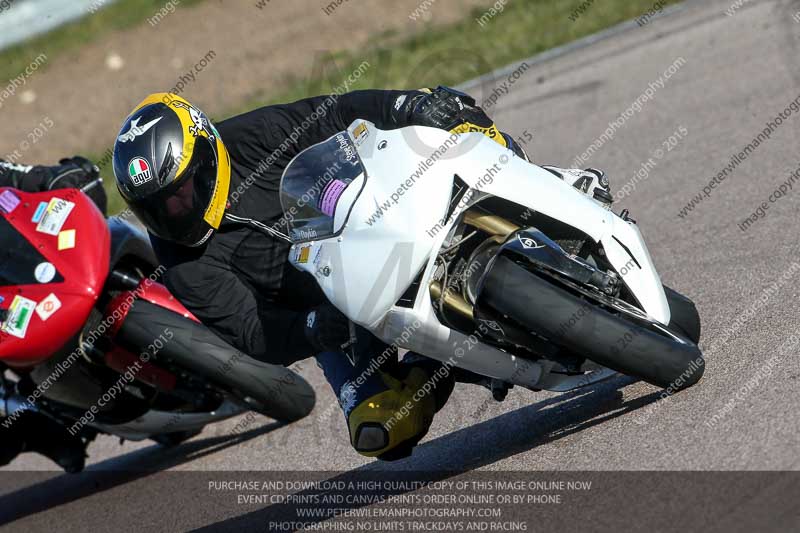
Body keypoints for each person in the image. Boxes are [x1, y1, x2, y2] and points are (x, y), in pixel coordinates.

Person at [111, 87, 610, 459]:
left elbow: (338, 113)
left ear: (204, 154)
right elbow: (250, 332)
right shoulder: (180, 260)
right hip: (331, 306)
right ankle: (433, 362)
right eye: (157, 206)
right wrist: (313, 329)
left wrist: (408, 107)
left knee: (455, 125)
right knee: (382, 432)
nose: (174, 210)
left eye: (179, 190)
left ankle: (550, 187)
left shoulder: (249, 137)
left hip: (371, 221)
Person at [0, 155, 105, 472]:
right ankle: (33, 425)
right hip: (11, 322)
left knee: (96, 209)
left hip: (39, 277)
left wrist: (60, 179)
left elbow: (20, 180)